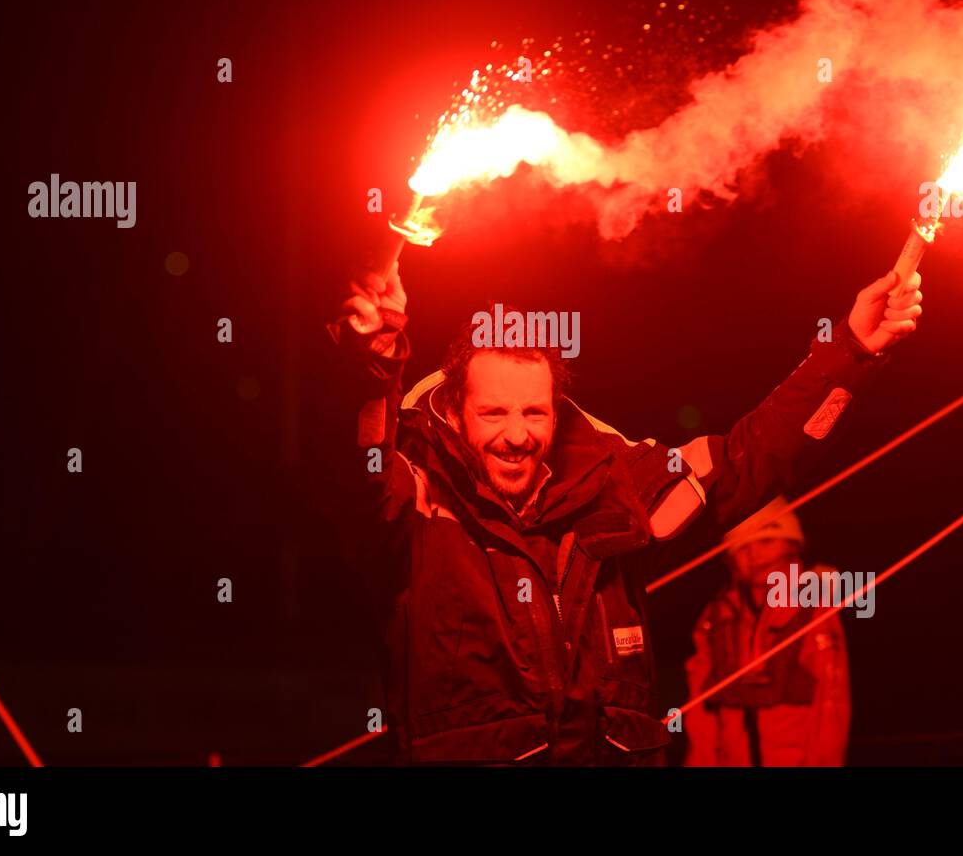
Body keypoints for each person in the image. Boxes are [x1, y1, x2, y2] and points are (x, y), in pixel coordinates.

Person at [331, 260, 921, 764]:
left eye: (534, 413)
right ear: (456, 413)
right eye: (493, 414)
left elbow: (744, 463)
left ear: (556, 416)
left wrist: (851, 350)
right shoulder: (413, 501)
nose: (517, 435)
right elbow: (353, 459)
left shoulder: (611, 486)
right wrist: (372, 357)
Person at [684, 496, 850, 766]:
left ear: (791, 545)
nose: (754, 555)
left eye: (765, 542)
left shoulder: (813, 609)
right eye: (743, 548)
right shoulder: (716, 618)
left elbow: (831, 703)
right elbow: (699, 708)